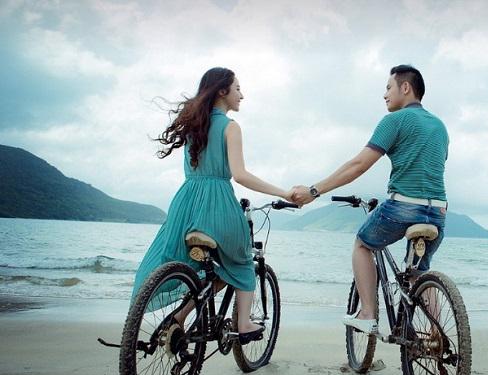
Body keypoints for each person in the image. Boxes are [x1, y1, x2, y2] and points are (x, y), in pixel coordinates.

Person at [132, 67, 292, 344]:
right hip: (217, 204)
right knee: (241, 260)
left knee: (207, 270)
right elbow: (240, 175)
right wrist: (284, 192)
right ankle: (243, 322)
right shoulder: (231, 127)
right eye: (238, 88)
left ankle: (179, 318)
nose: (242, 95)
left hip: (186, 205)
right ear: (223, 91)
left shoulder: (194, 126)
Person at [291, 64, 449, 334]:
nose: (385, 94)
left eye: (389, 88)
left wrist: (314, 190)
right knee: (418, 274)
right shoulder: (440, 126)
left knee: (363, 245)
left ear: (406, 88)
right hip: (438, 212)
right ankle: (438, 334)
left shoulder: (394, 121)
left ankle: (367, 315)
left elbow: (358, 165)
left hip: (403, 208)